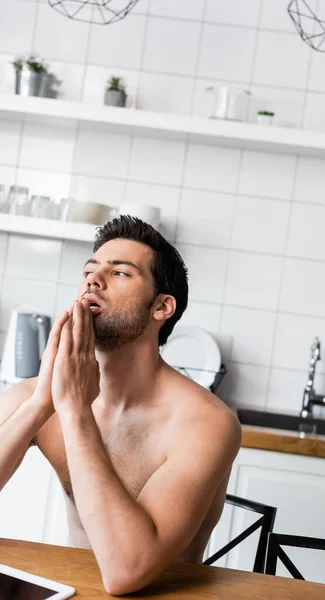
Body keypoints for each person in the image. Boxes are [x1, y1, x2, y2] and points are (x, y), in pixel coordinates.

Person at [0, 216, 241, 595]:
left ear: (161, 307)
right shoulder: (45, 396)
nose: (93, 281)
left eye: (121, 273)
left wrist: (76, 412)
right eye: (90, 271)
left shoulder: (205, 423)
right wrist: (40, 403)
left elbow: (126, 572)